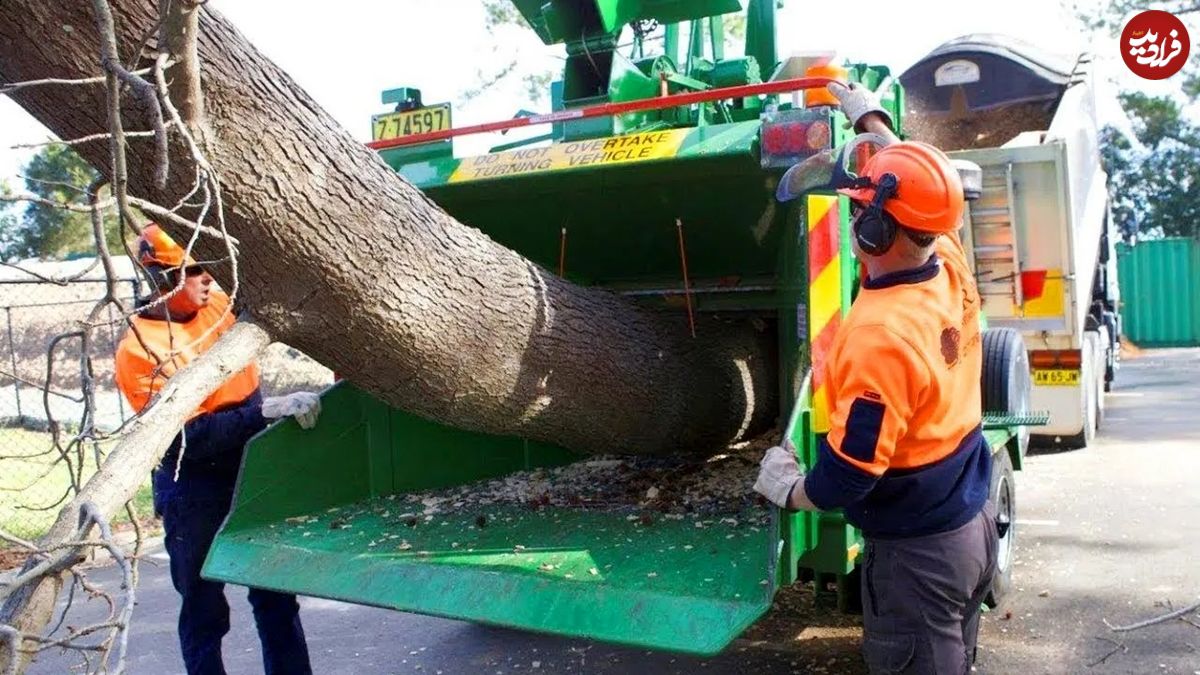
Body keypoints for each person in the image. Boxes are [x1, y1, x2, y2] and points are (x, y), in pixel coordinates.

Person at [755, 83, 998, 674]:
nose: (855, 214)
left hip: (920, 559)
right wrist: (870, 118)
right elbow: (922, 185)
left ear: (874, 234)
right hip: (970, 522)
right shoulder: (945, 253)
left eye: (861, 210)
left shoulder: (880, 337)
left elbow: (848, 476)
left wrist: (787, 488)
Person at [114, 224, 322, 675]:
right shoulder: (139, 349)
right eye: (195, 271)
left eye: (209, 268)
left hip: (250, 468)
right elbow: (189, 437)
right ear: (161, 278)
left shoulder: (220, 308)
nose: (208, 279)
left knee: (276, 597)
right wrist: (267, 411)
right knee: (204, 610)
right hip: (193, 482)